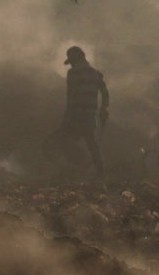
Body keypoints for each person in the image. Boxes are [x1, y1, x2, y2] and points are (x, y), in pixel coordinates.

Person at [44, 46, 110, 181]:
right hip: (90, 117)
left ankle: (70, 170)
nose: (71, 63)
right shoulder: (96, 74)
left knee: (58, 142)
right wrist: (104, 108)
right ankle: (100, 175)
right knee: (92, 144)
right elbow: (105, 93)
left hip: (76, 116)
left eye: (72, 61)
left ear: (76, 59)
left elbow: (71, 98)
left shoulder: (72, 74)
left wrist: (66, 118)